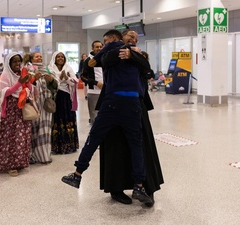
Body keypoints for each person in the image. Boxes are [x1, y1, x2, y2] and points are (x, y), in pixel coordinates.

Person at [61, 29, 153, 204]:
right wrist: (132, 53)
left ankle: (78, 174)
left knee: (95, 137)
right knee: (136, 144)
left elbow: (92, 63)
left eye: (105, 41)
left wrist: (121, 50)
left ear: (112, 39)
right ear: (123, 38)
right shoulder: (133, 54)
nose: (102, 45)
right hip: (133, 103)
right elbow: (147, 69)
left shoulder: (113, 53)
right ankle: (139, 185)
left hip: (112, 102)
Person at [99, 32, 164, 207]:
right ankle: (116, 188)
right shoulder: (109, 54)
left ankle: (146, 188)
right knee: (115, 145)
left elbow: (148, 71)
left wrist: (133, 54)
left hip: (137, 105)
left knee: (142, 146)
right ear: (120, 39)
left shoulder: (139, 56)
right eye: (129, 36)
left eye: (135, 38)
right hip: (113, 105)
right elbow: (105, 61)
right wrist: (124, 52)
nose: (133, 39)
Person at [0, 52, 35, 177]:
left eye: (18, 62)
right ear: (9, 63)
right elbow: (6, 92)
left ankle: (20, 162)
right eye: (14, 61)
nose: (17, 64)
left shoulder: (22, 73)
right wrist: (19, 83)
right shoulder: (5, 75)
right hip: (11, 109)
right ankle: (10, 165)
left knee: (22, 136)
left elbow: (31, 89)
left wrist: (29, 82)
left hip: (23, 108)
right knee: (11, 137)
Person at [23, 52, 58, 164]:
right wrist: (33, 80)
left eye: (40, 56)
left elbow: (56, 86)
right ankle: (31, 155)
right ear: (31, 58)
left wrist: (51, 80)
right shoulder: (27, 69)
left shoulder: (47, 70)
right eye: (37, 56)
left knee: (45, 130)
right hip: (33, 104)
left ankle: (44, 156)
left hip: (45, 105)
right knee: (33, 129)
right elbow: (23, 85)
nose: (39, 58)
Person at [48, 51, 79, 154]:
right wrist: (60, 78)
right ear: (54, 58)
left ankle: (70, 144)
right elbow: (49, 83)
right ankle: (58, 146)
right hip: (56, 97)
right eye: (58, 57)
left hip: (67, 97)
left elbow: (75, 82)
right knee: (57, 119)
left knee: (68, 118)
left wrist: (66, 77)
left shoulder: (68, 68)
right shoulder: (51, 68)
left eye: (62, 57)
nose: (60, 58)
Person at [80, 40, 103, 125]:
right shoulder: (88, 60)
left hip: (105, 91)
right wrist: (96, 83)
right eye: (97, 47)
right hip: (93, 92)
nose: (99, 49)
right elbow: (83, 77)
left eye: (100, 47)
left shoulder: (105, 58)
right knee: (95, 116)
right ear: (92, 48)